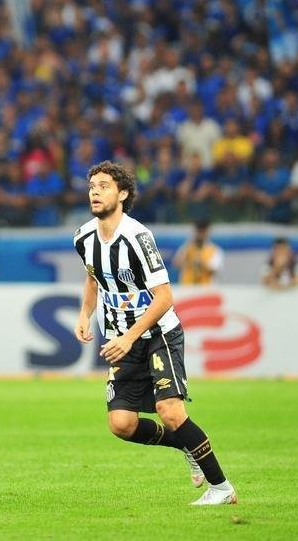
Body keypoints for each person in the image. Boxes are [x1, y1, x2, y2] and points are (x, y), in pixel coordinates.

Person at [73, 161, 237, 506]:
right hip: (121, 338)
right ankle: (185, 445)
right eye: (91, 186)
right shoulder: (84, 237)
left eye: (104, 186)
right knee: (121, 424)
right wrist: (84, 315)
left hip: (157, 334)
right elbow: (92, 278)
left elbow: (165, 297)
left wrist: (130, 336)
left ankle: (221, 488)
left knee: (171, 411)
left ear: (123, 193)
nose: (95, 192)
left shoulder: (138, 238)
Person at [172, 219, 224, 285]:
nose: (201, 234)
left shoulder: (214, 250)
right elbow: (176, 264)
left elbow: (215, 269)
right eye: (199, 231)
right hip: (187, 288)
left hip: (206, 289)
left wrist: (201, 263)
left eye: (203, 231)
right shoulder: (187, 247)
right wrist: (189, 260)